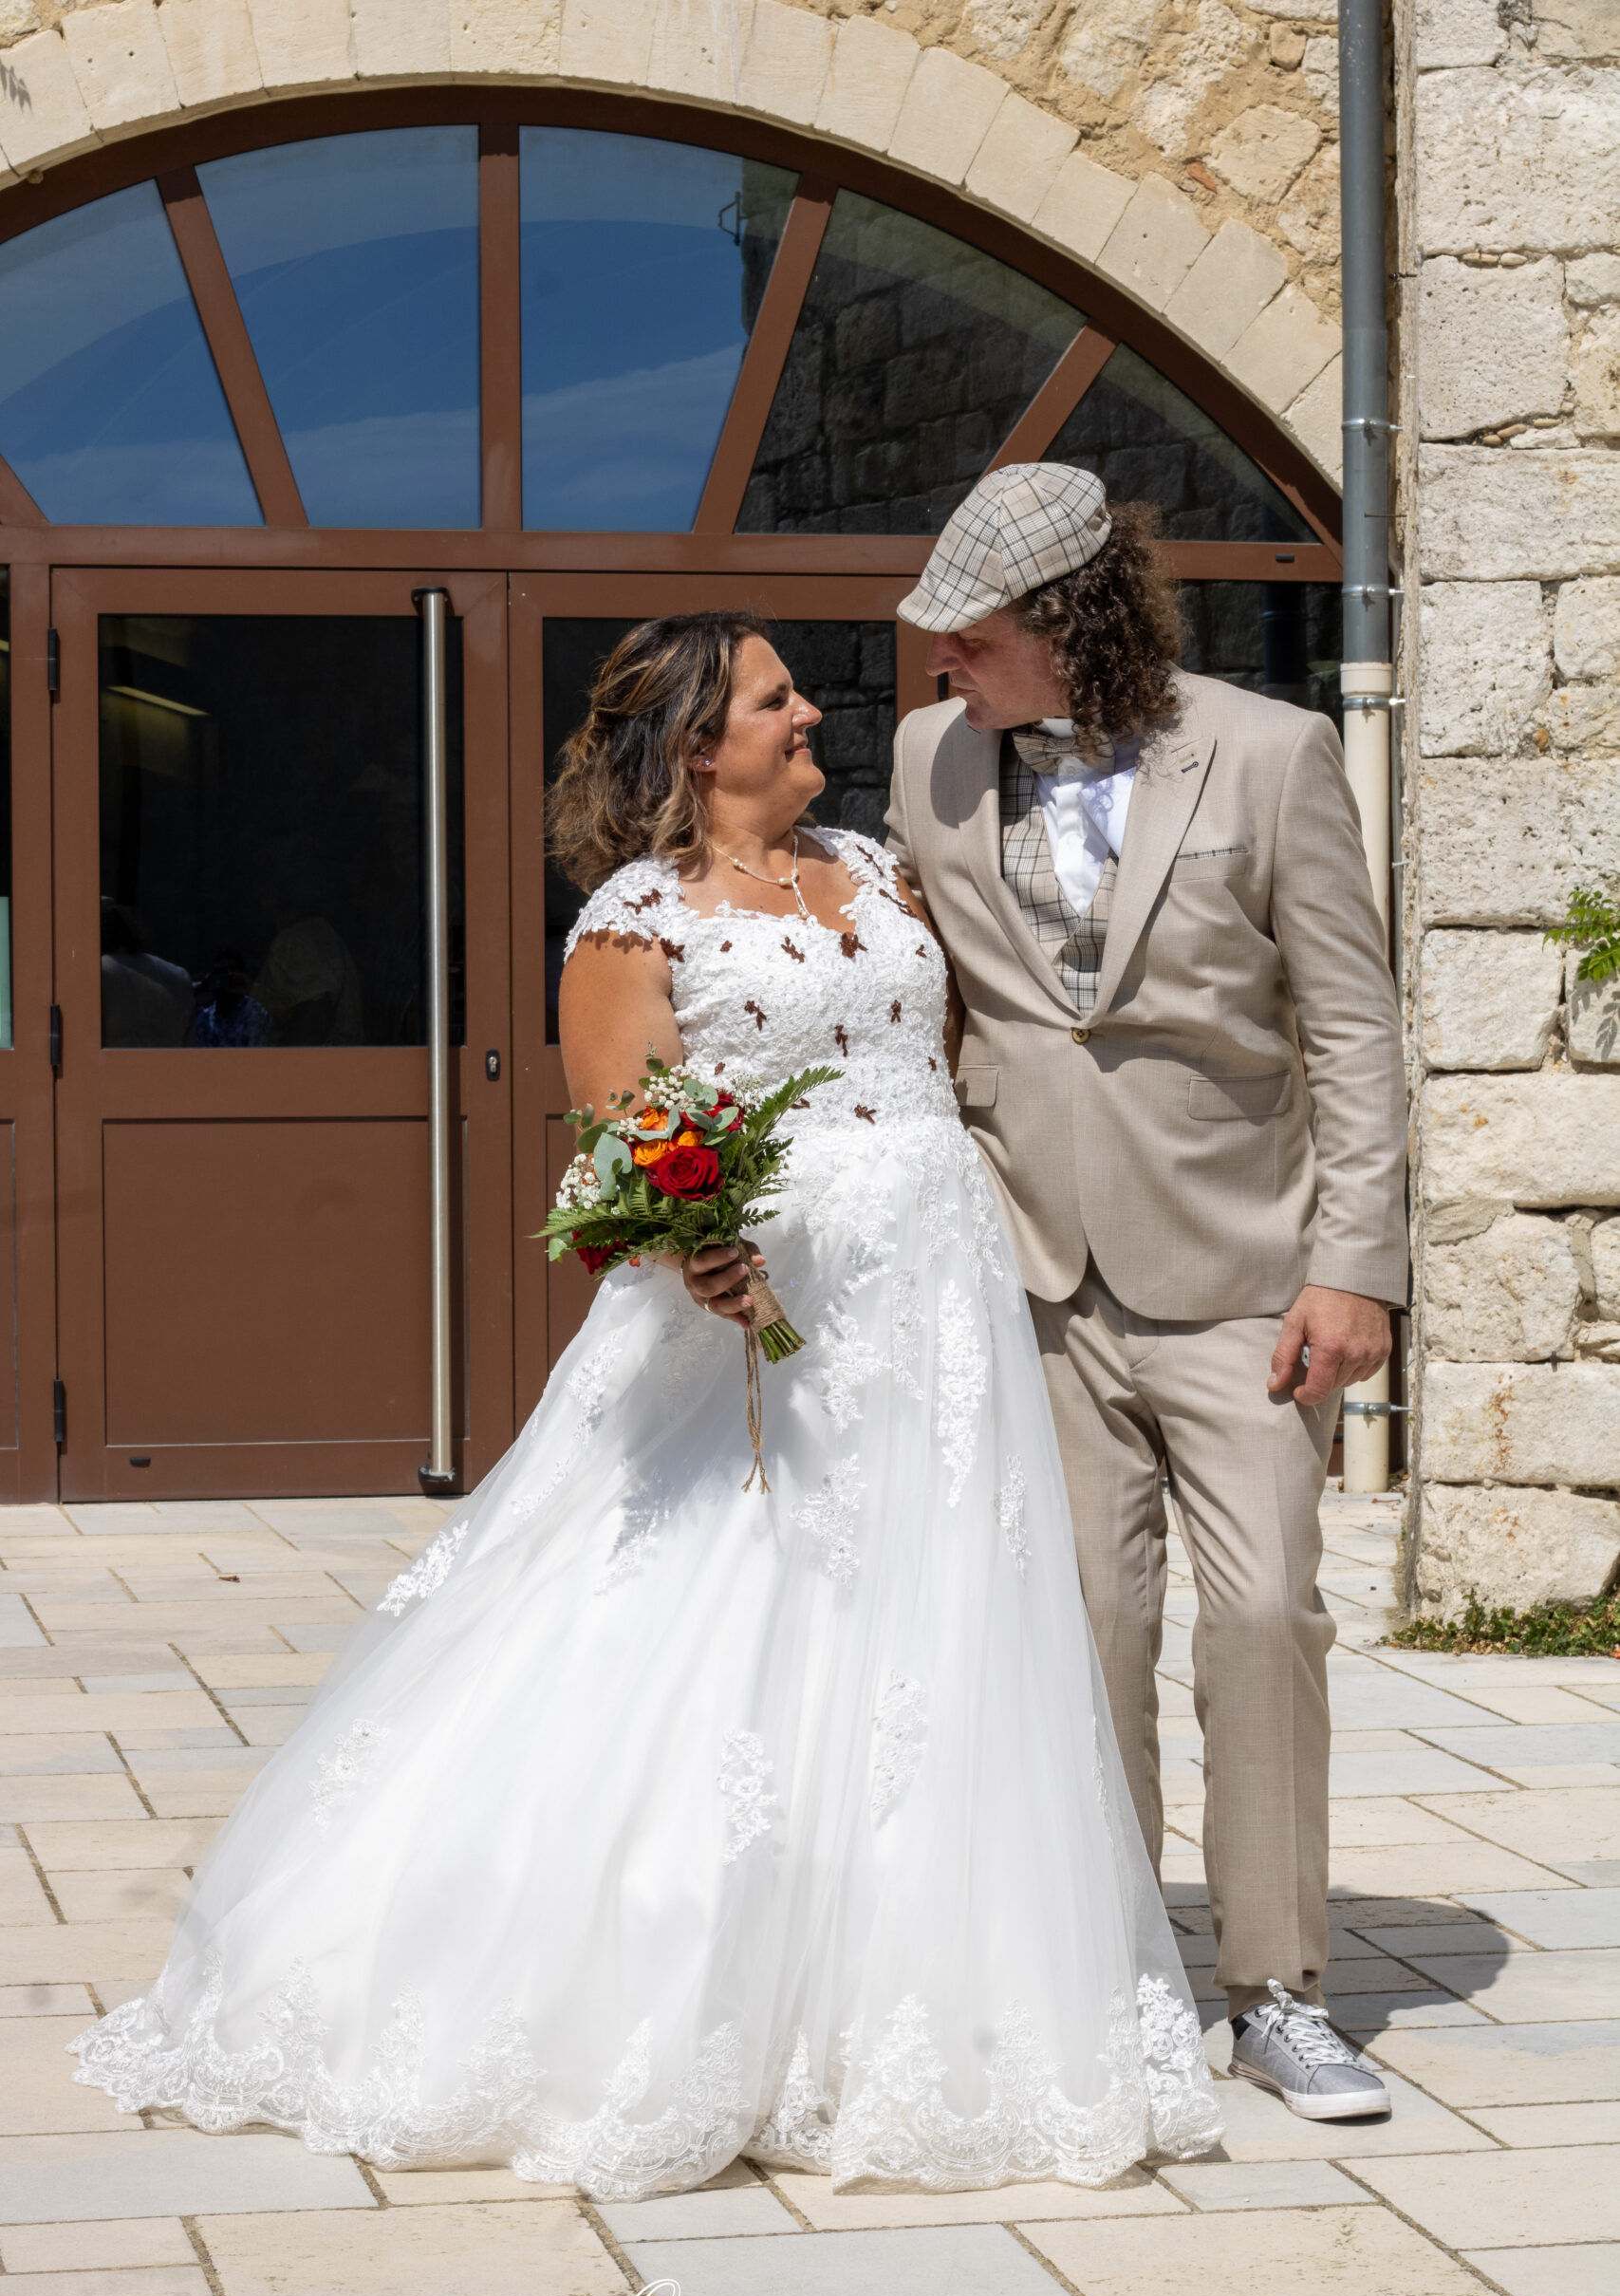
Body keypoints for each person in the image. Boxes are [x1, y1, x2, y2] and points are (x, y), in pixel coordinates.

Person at [70, 611, 1220, 2196]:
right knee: (711, 1616)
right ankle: (654, 1984)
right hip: (753, 1322)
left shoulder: (878, 871)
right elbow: (625, 1139)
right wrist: (700, 1249)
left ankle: (912, 1984)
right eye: (775, 698)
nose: (811, 711)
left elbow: (936, 1044)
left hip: (931, 1301)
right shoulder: (634, 921)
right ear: (696, 743)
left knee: (930, 1618)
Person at [885, 464, 1407, 2121]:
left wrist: (1356, 1268)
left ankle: (1276, 1989)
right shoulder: (926, 762)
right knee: (1084, 1636)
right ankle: (1111, 1972)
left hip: (1247, 1280)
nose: (938, 670)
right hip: (1029, 1273)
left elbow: (1353, 1032)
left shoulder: (1271, 754)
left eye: (969, 640)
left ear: (1068, 621)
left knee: (1263, 1619)